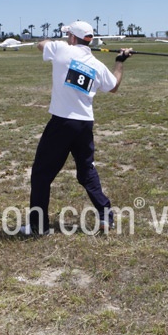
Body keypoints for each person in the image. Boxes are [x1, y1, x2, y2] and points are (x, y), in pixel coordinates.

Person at [23, 20, 133, 235]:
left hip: (62, 123)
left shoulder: (61, 49)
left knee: (41, 175)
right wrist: (120, 61)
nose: (66, 38)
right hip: (84, 125)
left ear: (73, 37)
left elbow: (40, 44)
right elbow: (113, 86)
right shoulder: (96, 64)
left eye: (68, 35)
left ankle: (38, 226)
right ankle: (105, 214)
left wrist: (56, 43)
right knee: (86, 171)